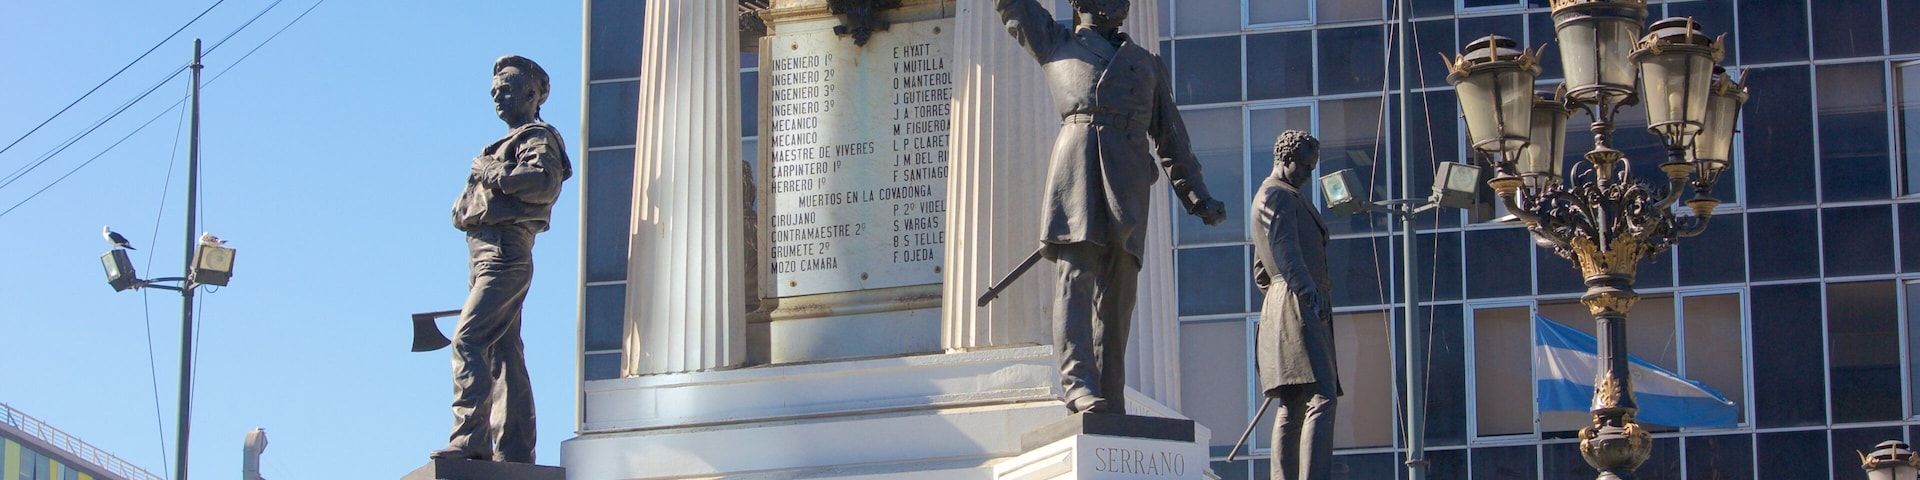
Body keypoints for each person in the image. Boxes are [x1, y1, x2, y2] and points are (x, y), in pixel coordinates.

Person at [996, 0, 1227, 415]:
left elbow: (1172, 139)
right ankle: (1079, 384)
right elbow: (1014, 5)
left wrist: (1197, 196)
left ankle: (1111, 391)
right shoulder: (1055, 41)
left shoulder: (1146, 64)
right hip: (1077, 166)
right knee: (1076, 276)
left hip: (1130, 177)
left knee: (1120, 292)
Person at [434, 55, 571, 463]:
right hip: (483, 254)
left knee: (470, 340)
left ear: (532, 95)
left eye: (508, 90)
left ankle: (470, 439)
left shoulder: (537, 138)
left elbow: (543, 184)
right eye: (495, 91)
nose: (498, 96)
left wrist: (491, 171)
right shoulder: (503, 144)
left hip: (504, 252)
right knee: (504, 355)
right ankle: (513, 452)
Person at [1252, 130, 1337, 480]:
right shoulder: (1279, 195)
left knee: (1293, 401)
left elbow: (1260, 270)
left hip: (1283, 302)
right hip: (1298, 301)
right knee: (1322, 396)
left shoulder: (1271, 196)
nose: (1308, 173)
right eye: (1304, 165)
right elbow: (1285, 249)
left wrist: (1279, 302)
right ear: (1285, 159)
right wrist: (1306, 293)